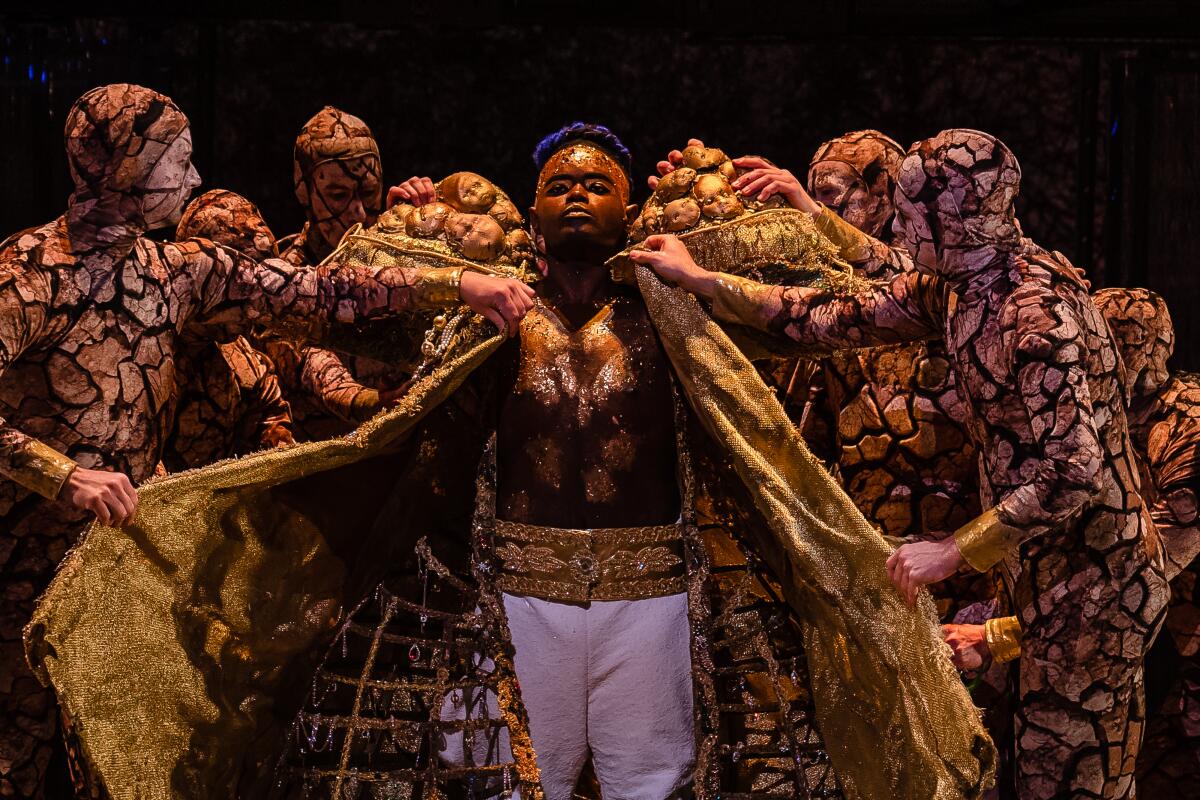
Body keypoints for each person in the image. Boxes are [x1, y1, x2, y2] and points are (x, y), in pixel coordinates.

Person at [26, 123, 992, 800]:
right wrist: (427, 248)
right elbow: (341, 296)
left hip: (649, 601)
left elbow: (856, 303)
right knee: (505, 787)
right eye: (559, 183)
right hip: (515, 600)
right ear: (530, 215)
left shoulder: (683, 310)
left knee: (648, 786)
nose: (577, 191)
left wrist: (798, 211)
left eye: (597, 183)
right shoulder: (490, 315)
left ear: (631, 209)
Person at [0, 83, 524, 799]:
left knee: (116, 752)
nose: (189, 179)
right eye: (174, 162)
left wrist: (454, 283)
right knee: (16, 749)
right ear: (123, 168)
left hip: (114, 558)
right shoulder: (30, 272)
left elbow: (314, 291)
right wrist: (64, 475)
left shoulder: (173, 271)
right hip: (19, 555)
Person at [633, 128, 1169, 799]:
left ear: (956, 219)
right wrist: (704, 279)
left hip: (1097, 583)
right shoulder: (952, 285)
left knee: (1064, 780)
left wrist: (952, 551)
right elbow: (828, 317)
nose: (901, 225)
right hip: (1044, 574)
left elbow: (1071, 472)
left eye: (914, 212)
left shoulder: (1034, 310)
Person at [269, 106, 413, 440]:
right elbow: (311, 364)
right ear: (303, 189)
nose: (358, 213)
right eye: (338, 196)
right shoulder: (285, 274)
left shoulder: (397, 243)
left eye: (367, 193)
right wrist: (374, 403)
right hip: (325, 465)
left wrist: (431, 219)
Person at [165, 188, 295, 471]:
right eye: (242, 291)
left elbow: (270, 415)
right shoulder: (147, 350)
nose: (254, 309)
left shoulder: (239, 357)